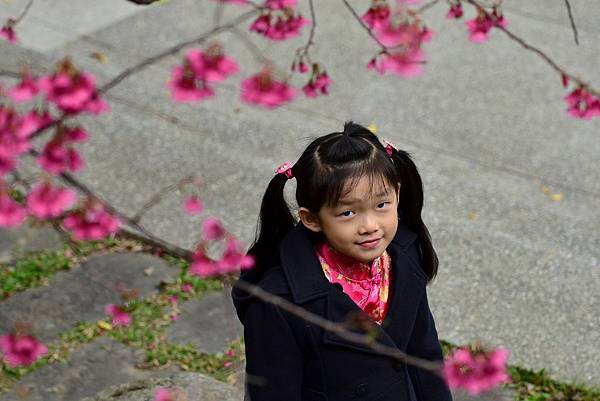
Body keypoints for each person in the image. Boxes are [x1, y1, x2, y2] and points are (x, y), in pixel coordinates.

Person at [231, 121, 453, 401]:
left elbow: (425, 355)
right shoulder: (278, 303)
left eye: (382, 205)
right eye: (348, 213)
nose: (370, 226)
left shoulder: (405, 256)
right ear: (311, 218)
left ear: (397, 193)